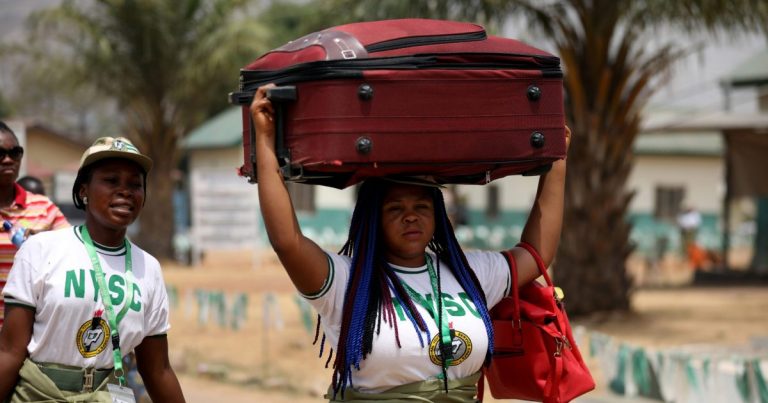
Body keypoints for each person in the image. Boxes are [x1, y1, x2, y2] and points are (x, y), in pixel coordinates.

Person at [251, 84, 569, 401]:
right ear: (372, 217)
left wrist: (557, 161)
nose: (411, 217)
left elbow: (536, 252)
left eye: (421, 207)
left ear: (438, 215)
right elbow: (287, 242)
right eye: (395, 208)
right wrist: (265, 141)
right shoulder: (347, 281)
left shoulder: (472, 274)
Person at [0, 136, 185, 402]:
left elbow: (157, 370)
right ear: (83, 190)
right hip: (39, 394)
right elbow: (9, 351)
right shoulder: (41, 250)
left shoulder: (149, 268)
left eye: (135, 184)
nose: (125, 191)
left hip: (107, 394)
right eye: (111, 181)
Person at [0, 121, 70, 329]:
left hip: (28, 333)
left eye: (15, 152)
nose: (8, 160)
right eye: (0, 154)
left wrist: (45, 241)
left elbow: (75, 250)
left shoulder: (43, 207)